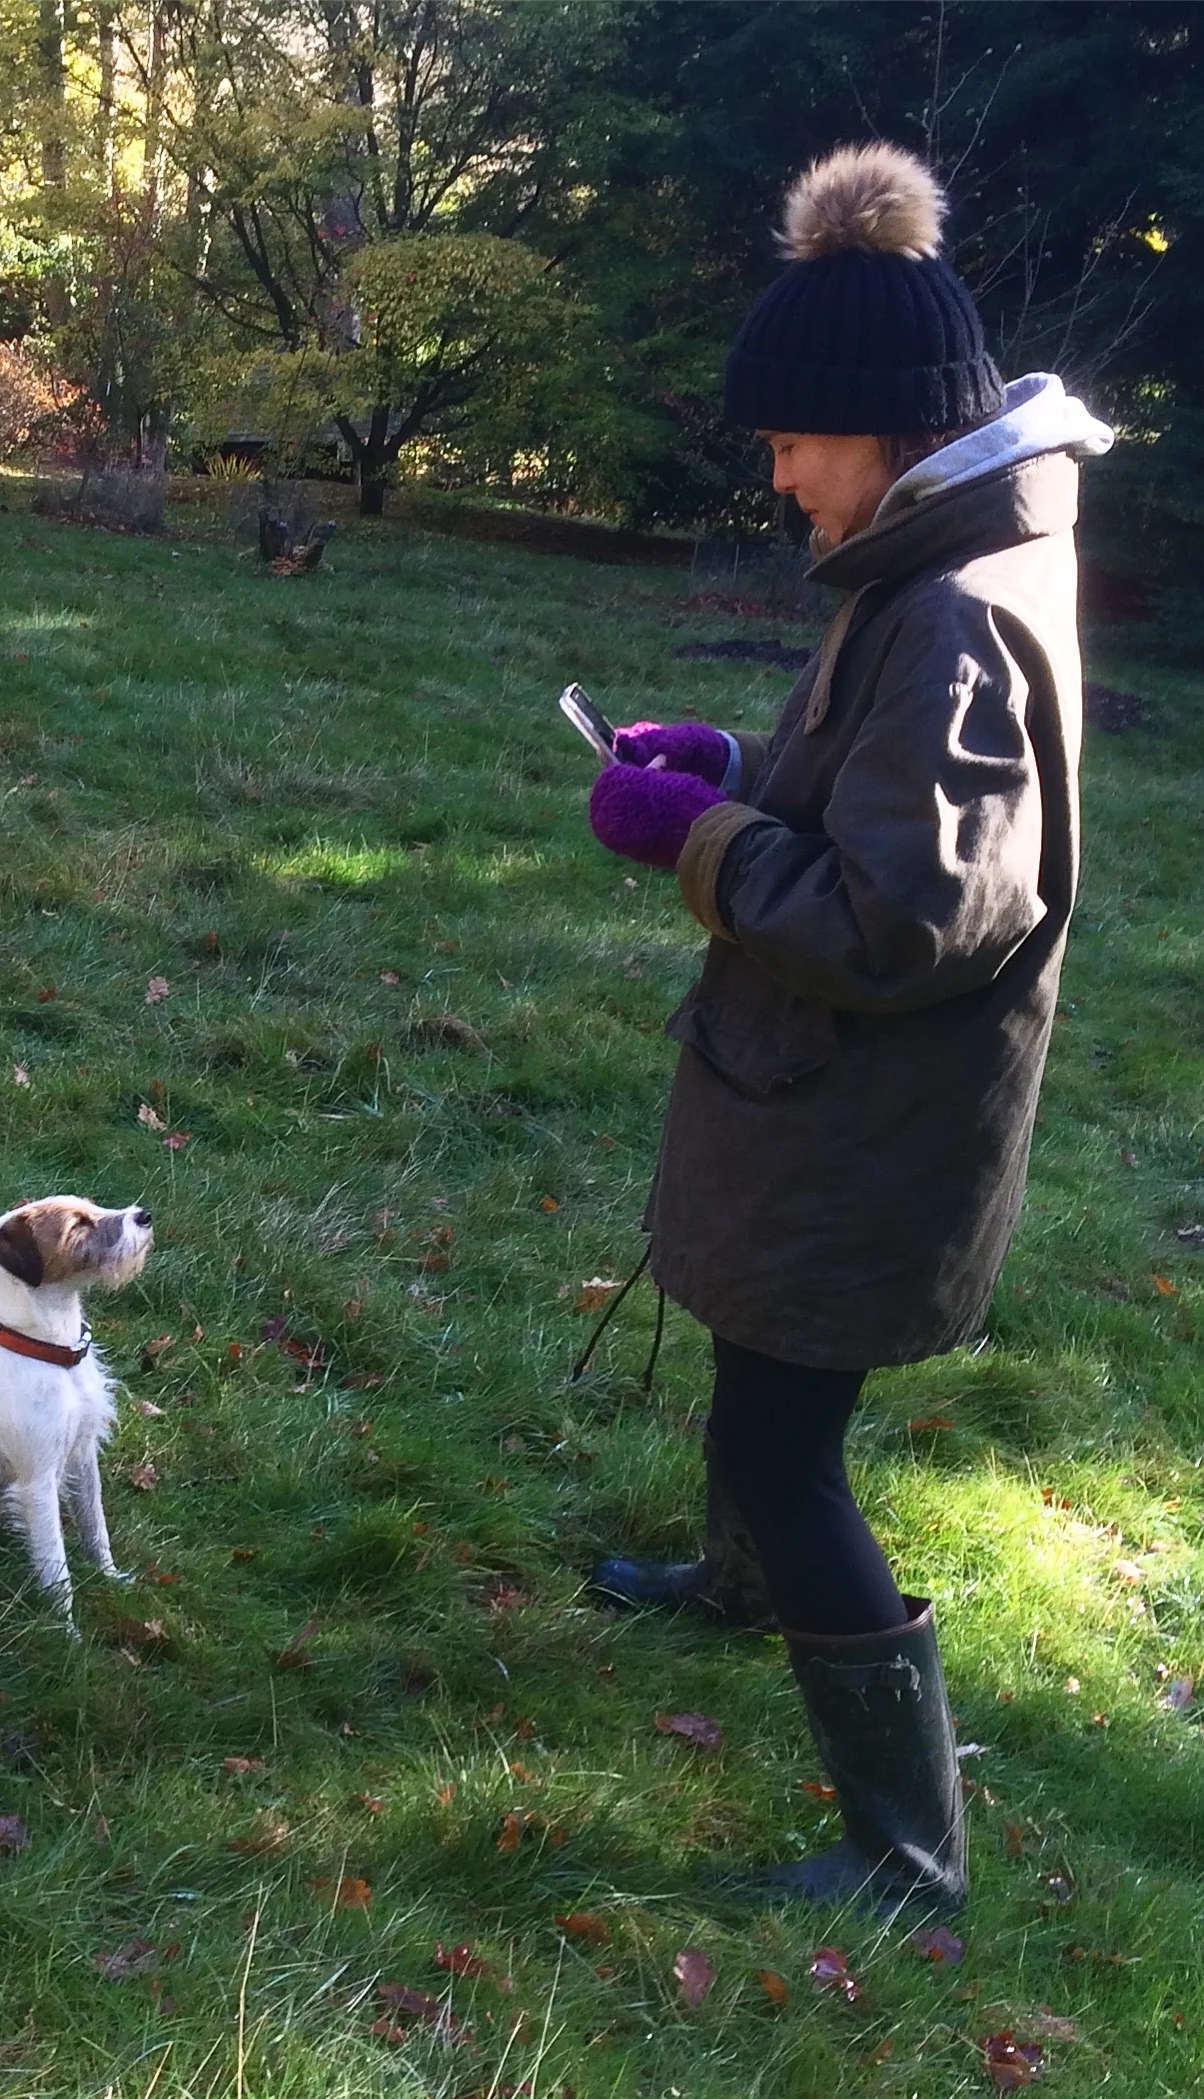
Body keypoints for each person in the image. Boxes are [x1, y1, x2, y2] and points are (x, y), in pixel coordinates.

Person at [580, 141, 1111, 1916]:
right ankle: (744, 1588)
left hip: (866, 1117)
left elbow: (905, 915)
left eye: (795, 442)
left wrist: (702, 844)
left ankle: (903, 1852)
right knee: (759, 1384)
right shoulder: (921, 556)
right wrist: (730, 765)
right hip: (820, 1093)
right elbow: (873, 793)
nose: (779, 474)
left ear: (884, 431)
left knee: (776, 1444)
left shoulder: (951, 607)